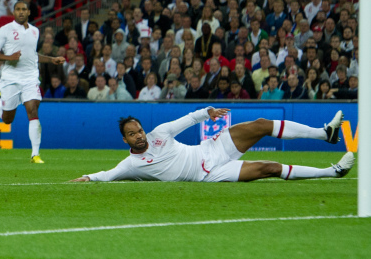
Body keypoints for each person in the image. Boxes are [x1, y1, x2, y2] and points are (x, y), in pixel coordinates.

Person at [71, 108, 354, 183]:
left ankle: (324, 134)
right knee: (269, 168)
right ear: (125, 140)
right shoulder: (131, 164)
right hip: (209, 175)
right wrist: (86, 178)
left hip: (211, 149)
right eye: (132, 134)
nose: (139, 136)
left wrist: (207, 112)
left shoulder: (159, 133)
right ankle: (333, 172)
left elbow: (187, 120)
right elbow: (108, 175)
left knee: (261, 124)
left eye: (139, 130)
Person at [0, 1, 65, 163]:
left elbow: (33, 55)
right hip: (10, 79)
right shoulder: (5, 30)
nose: (21, 12)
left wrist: (52, 59)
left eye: (24, 9)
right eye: (18, 9)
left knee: (33, 110)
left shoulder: (35, 31)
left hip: (30, 78)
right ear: (14, 12)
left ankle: (35, 154)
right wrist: (9, 57)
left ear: (29, 12)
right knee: (8, 119)